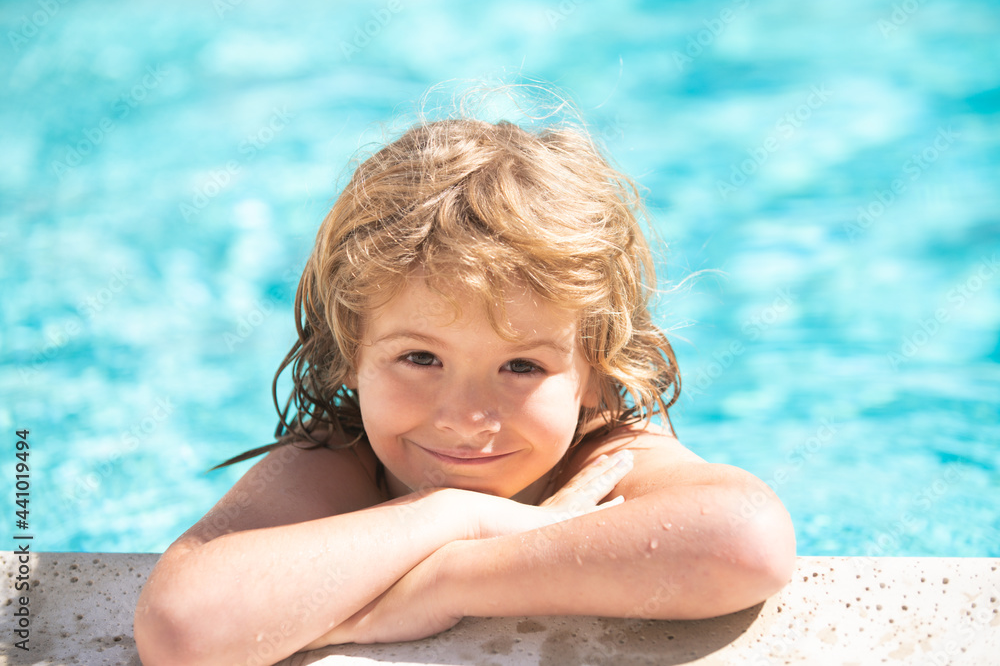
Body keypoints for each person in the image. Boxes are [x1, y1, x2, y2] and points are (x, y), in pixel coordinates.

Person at [134, 106, 796, 666]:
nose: (465, 417)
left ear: (597, 371)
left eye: (522, 367)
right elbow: (180, 629)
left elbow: (745, 541)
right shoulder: (342, 461)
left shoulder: (604, 459)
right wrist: (455, 516)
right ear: (350, 353)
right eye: (420, 357)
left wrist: (448, 582)